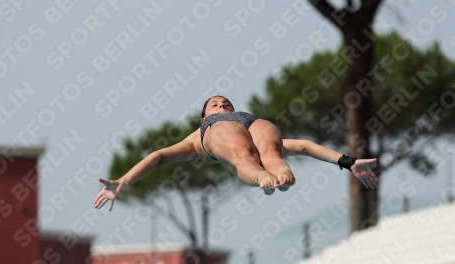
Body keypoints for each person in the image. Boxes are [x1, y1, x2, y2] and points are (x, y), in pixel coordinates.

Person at [94, 96, 379, 211]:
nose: (221, 106)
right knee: (244, 155)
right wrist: (123, 181)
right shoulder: (199, 136)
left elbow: (304, 146)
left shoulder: (242, 118)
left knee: (270, 149)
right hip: (222, 136)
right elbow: (157, 156)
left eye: (225, 103)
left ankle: (277, 172)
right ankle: (263, 177)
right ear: (204, 118)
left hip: (253, 123)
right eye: (215, 105)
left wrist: (348, 161)